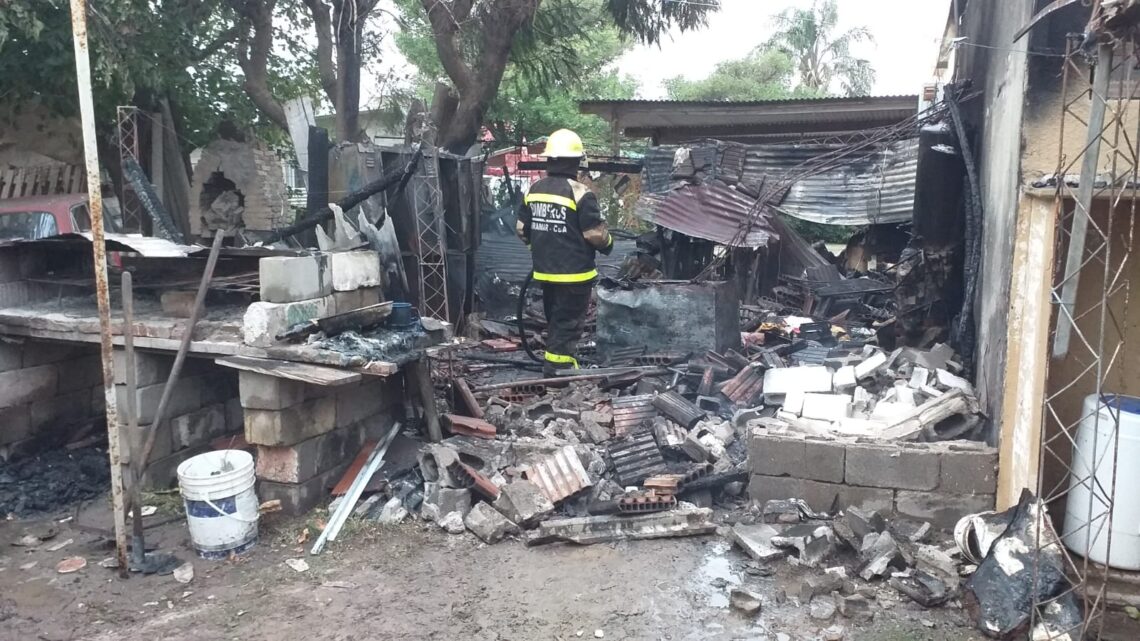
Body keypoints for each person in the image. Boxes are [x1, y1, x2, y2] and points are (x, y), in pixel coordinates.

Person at [516, 129, 613, 376]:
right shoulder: (580, 192)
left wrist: (538, 249)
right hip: (575, 275)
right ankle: (558, 372)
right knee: (568, 323)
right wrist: (609, 243)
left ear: (550, 160)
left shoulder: (534, 189)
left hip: (545, 272)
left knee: (555, 319)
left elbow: (521, 229)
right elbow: (595, 235)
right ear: (575, 162)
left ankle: (562, 362)